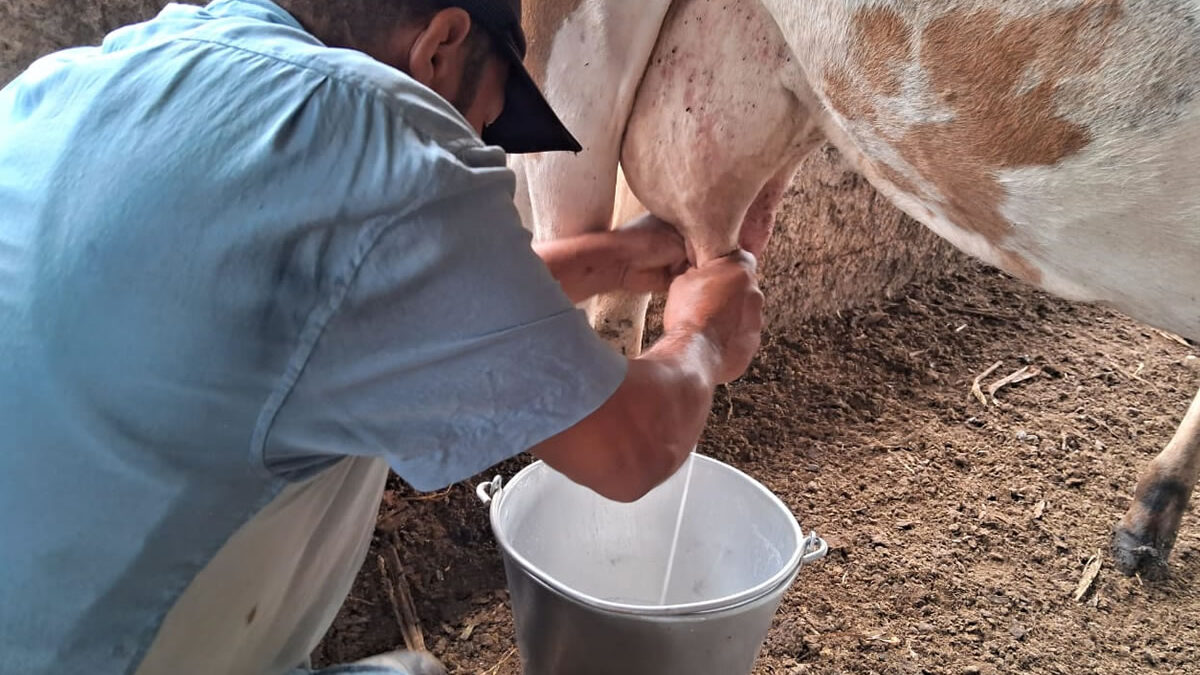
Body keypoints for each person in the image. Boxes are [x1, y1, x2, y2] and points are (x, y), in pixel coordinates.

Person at [0, 0, 763, 673]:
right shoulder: (378, 132)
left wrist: (617, 261)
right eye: (488, 120)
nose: (483, 141)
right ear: (440, 46)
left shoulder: (88, 76)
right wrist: (702, 333)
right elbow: (630, 448)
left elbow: (364, 293)